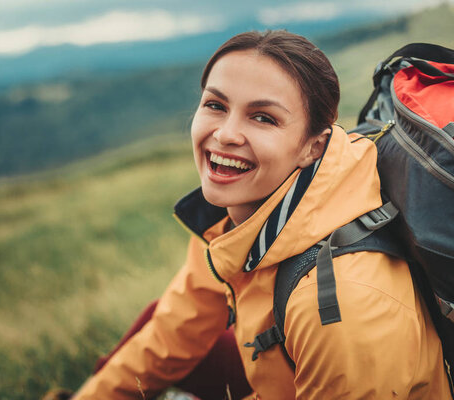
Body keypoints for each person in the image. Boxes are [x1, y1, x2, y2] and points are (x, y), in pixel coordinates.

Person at [71, 30, 453, 399]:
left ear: (313, 147)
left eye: (263, 118)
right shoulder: (232, 216)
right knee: (158, 319)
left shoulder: (341, 307)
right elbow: (173, 330)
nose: (225, 134)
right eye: (215, 105)